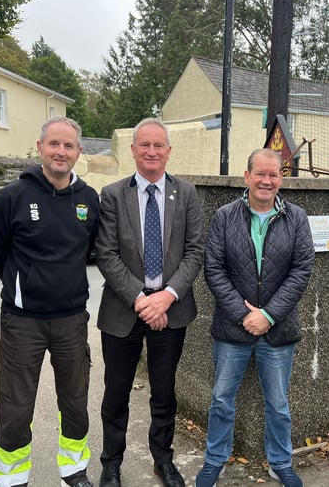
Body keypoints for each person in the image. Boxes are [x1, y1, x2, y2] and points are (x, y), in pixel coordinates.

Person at [0, 117, 100, 487]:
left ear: (79, 152)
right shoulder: (12, 197)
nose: (61, 152)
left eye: (69, 146)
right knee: (17, 404)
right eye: (54, 144)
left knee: (75, 400)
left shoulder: (88, 199)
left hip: (71, 318)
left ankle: (74, 469)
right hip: (23, 321)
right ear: (40, 148)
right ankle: (11, 477)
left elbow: (90, 251)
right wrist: (27, 286)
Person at [196, 148, 315, 487]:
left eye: (273, 175)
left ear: (281, 179)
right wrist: (243, 314)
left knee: (278, 404)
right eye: (260, 174)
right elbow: (214, 269)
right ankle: (214, 460)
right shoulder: (224, 216)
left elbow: (302, 270)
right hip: (232, 329)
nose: (266, 180)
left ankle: (280, 462)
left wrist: (269, 315)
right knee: (221, 399)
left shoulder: (297, 217)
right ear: (246, 176)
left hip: (278, 330)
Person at [95, 118, 204, 487]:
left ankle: (163, 460)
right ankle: (111, 462)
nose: (152, 152)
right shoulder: (111, 194)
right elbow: (106, 254)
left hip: (171, 310)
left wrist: (166, 297)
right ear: (133, 150)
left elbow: (195, 252)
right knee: (116, 392)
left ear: (169, 151)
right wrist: (143, 300)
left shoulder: (187, 194)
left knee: (164, 391)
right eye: (144, 145)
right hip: (123, 310)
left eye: (159, 145)